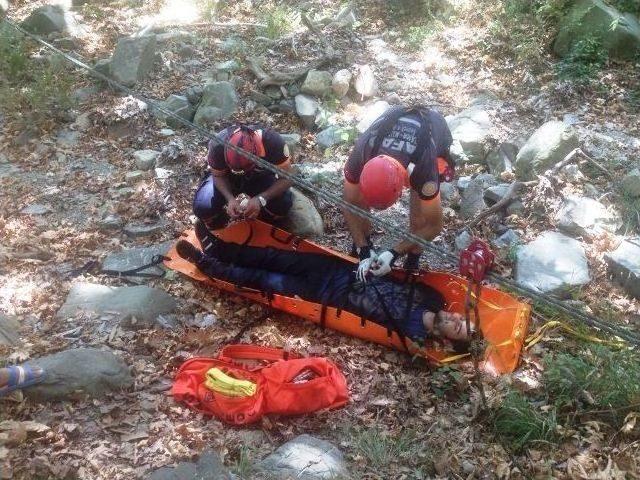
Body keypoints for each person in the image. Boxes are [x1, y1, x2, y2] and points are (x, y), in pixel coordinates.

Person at [176, 225, 473, 346]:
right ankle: (219, 248)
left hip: (324, 296)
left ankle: (207, 264)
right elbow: (409, 274)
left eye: (458, 327)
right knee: (272, 257)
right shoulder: (434, 297)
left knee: (261, 280)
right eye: (462, 318)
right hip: (336, 269)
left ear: (447, 338)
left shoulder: (415, 336)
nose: (457, 319)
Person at [342, 105, 454, 280]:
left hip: (433, 129)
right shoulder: (362, 152)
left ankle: (412, 260)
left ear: (402, 188)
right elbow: (349, 203)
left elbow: (434, 225)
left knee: (419, 219)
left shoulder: (424, 169)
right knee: (358, 203)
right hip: (394, 121)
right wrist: (362, 248)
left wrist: (393, 253)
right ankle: (364, 247)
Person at [193, 125, 293, 254]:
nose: (241, 172)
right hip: (228, 178)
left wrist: (261, 199)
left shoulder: (272, 142)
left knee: (282, 205)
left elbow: (288, 178)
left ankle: (263, 223)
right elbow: (218, 175)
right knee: (203, 207)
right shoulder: (217, 145)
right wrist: (229, 199)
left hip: (260, 177)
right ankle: (218, 227)